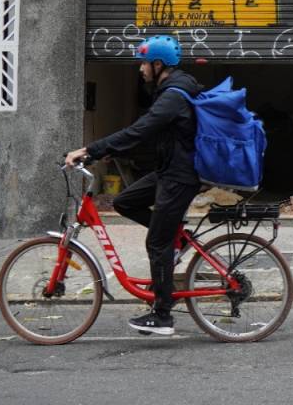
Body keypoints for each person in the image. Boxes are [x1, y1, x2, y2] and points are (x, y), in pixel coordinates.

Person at [66, 34, 202, 336]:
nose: (140, 69)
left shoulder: (174, 96)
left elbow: (140, 130)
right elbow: (151, 133)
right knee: (125, 202)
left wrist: (90, 150)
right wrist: (110, 151)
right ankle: (176, 239)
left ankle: (162, 315)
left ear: (158, 64)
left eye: (144, 63)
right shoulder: (170, 91)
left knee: (157, 243)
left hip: (180, 176)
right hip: (169, 170)